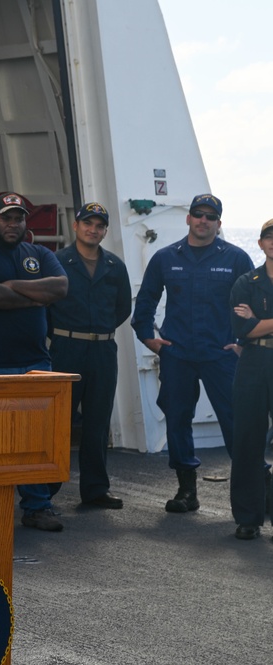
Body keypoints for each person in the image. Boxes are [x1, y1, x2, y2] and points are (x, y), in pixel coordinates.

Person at [131, 193, 253, 513]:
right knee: (178, 419)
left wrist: (244, 343)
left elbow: (257, 303)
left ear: (219, 223)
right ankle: (187, 492)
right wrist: (149, 339)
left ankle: (254, 492)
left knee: (237, 421)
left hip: (221, 355)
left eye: (210, 216)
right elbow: (144, 304)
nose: (203, 220)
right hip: (178, 355)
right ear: (188, 218)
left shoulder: (236, 258)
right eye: (198, 214)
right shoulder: (165, 257)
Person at [0, 193, 68, 531]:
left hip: (35, 362)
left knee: (35, 440)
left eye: (18, 218)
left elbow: (61, 287)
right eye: (6, 217)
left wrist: (13, 286)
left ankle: (38, 506)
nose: (13, 223)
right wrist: (34, 295)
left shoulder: (41, 254)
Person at [48, 202, 132, 509]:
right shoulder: (57, 262)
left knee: (98, 420)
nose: (92, 230)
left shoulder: (114, 266)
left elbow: (123, 308)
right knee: (61, 421)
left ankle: (96, 489)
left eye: (99, 226)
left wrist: (100, 330)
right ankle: (46, 490)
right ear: (76, 225)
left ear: (105, 231)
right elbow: (46, 305)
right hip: (66, 349)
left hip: (103, 350)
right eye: (87, 224)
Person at [228, 218, 273, 540]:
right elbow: (242, 329)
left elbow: (255, 324)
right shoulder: (247, 281)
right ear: (260, 244)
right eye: (269, 237)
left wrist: (261, 320)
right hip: (255, 360)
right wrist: (254, 324)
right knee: (247, 441)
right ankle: (248, 517)